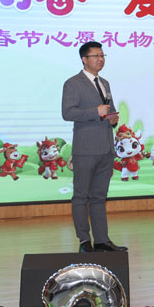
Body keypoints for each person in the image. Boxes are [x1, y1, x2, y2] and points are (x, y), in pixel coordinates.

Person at [61, 41, 127, 253]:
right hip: (85, 149)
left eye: (102, 55)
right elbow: (67, 113)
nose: (100, 59)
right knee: (81, 196)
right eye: (96, 56)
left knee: (99, 197)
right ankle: (84, 240)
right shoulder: (73, 83)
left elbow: (109, 109)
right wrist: (95, 112)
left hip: (106, 148)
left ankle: (101, 240)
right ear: (84, 59)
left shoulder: (104, 82)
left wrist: (113, 119)